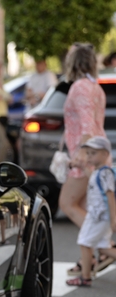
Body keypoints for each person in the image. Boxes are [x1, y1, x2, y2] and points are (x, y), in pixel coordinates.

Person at [59, 43, 113, 276]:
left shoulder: (80, 87)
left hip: (86, 158)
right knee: (84, 208)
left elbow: (88, 125)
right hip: (95, 155)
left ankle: (104, 249)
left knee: (67, 204)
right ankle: (89, 258)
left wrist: (81, 158)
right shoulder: (95, 87)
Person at [65, 137, 116, 287]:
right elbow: (92, 177)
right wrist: (80, 166)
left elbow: (110, 196)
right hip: (99, 216)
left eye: (93, 153)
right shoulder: (98, 172)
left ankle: (85, 277)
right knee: (102, 247)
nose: (89, 156)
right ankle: (85, 275)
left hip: (99, 217)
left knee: (85, 242)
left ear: (105, 155)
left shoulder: (105, 173)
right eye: (88, 153)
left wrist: (114, 219)